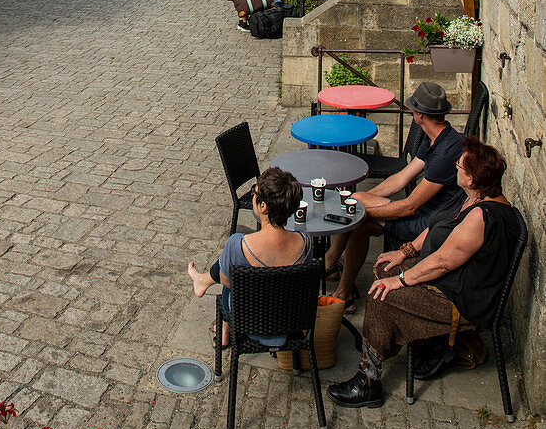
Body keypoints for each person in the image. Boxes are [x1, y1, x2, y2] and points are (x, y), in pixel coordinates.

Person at [327, 135, 517, 409]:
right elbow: (436, 225)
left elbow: (443, 262)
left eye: (460, 167)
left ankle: (368, 382)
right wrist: (404, 252)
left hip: (462, 299)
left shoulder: (482, 216)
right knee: (383, 268)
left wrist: (402, 280)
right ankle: (395, 342)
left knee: (382, 294)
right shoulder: (471, 197)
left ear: (473, 179)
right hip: (451, 280)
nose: (455, 167)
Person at [325, 81, 463, 310]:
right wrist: (364, 198)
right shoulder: (434, 138)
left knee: (358, 218)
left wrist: (361, 210)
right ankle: (332, 268)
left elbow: (409, 206)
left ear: (419, 115)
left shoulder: (447, 151)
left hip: (430, 223)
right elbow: (401, 178)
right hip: (422, 211)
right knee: (355, 200)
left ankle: (342, 290)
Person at [187, 166, 311, 348]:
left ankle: (221, 320)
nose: (252, 195)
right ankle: (203, 282)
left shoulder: (239, 244)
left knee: (229, 279)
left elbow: (225, 281)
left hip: (247, 321)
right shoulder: (305, 242)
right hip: (290, 321)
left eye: (254, 192)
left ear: (263, 206)